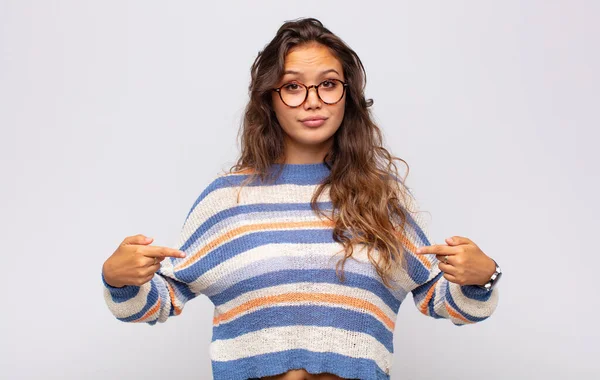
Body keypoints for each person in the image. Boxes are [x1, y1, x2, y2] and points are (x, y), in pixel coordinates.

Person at [101, 17, 501, 380]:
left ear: (348, 95)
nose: (312, 100)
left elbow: (441, 300)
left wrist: (483, 277)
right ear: (269, 99)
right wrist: (117, 279)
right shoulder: (228, 199)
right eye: (293, 86)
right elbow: (160, 301)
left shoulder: (382, 198)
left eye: (328, 84)